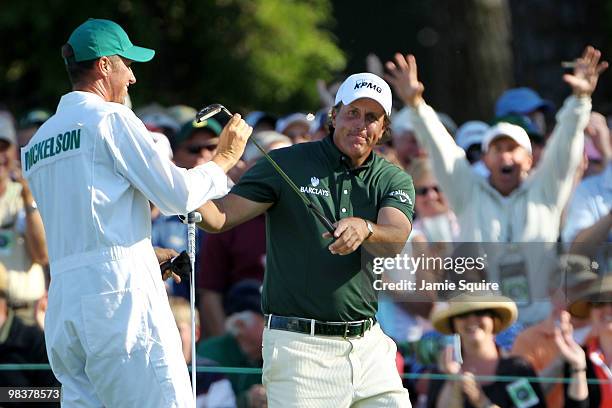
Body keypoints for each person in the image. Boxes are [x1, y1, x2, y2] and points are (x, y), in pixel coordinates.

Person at [21, 18, 251, 407]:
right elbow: (179, 195)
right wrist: (224, 158)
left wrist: (145, 255)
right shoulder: (111, 118)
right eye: (127, 64)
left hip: (65, 306)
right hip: (119, 303)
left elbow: (84, 227)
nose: (132, 77)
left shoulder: (40, 141)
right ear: (104, 65)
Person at [195, 72, 415, 406]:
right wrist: (211, 166)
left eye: (372, 118)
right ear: (333, 115)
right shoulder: (286, 163)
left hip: (369, 346)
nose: (360, 124)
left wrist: (365, 228)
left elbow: (395, 237)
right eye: (352, 112)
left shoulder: (391, 177)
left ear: (383, 130)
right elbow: (217, 217)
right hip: (300, 349)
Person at [385, 46, 608, 324]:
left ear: (529, 160)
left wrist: (580, 100)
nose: (505, 156)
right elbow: (443, 150)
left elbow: (564, 149)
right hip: (485, 328)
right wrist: (416, 105)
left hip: (541, 327)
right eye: (497, 148)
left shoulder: (545, 192)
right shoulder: (467, 194)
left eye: (513, 149)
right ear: (486, 159)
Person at [428, 293, 545, 408]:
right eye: (462, 314)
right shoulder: (442, 373)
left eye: (481, 312)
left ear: (494, 320)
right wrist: (454, 384)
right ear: (453, 324)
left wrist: (481, 401)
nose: (472, 320)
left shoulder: (516, 369)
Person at [510, 255, 597, 408]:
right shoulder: (528, 339)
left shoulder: (605, 330)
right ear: (551, 293)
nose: (583, 294)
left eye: (587, 287)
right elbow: (521, 398)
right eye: (574, 288)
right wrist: (559, 362)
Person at [0, 114, 48, 325]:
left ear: (13, 152)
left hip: (26, 314)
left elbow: (42, 254)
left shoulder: (26, 194)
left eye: (3, 147)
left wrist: (28, 198)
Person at [556, 274, 612, 407]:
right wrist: (578, 367)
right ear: (590, 313)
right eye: (599, 303)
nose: (608, 309)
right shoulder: (579, 356)